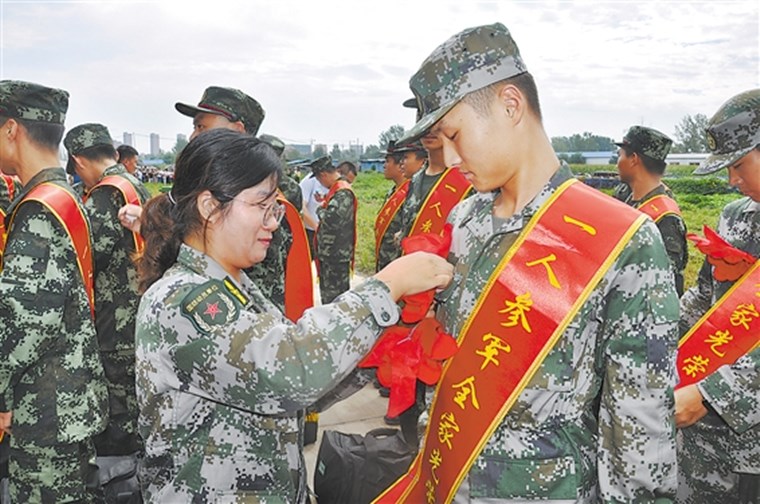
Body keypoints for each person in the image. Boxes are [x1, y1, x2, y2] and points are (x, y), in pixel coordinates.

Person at [375, 23, 679, 503]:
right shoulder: (466, 217)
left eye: (453, 135)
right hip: (446, 476)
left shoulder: (624, 241)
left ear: (510, 105)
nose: (451, 159)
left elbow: (639, 426)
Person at [134, 128, 452, 501]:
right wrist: (386, 287)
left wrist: (374, 354)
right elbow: (290, 371)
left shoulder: (235, 286)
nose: (273, 223)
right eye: (261, 207)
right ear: (208, 206)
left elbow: (296, 393)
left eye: (276, 209)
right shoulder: (183, 301)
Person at [0, 80, 109, 501]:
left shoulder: (38, 210)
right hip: (67, 399)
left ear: (12, 130)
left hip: (45, 407)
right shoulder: (63, 194)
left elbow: (25, 323)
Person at [676, 89, 760, 503]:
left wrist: (713, 395)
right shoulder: (735, 218)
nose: (732, 180)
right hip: (706, 449)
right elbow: (703, 300)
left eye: (740, 164)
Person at [64, 122, 151, 500]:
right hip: (141, 311)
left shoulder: (103, 197)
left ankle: (127, 486)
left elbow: (86, 255)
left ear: (78, 160)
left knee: (119, 415)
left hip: (116, 324)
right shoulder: (135, 185)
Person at [614, 126, 688, 296]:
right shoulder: (624, 194)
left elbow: (666, 279)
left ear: (633, 159)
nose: (617, 163)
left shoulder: (666, 217)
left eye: (620, 155)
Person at [312, 155, 357, 304]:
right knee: (329, 296)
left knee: (335, 299)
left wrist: (320, 210)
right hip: (331, 254)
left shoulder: (342, 191)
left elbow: (333, 220)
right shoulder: (336, 190)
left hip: (336, 256)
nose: (320, 183)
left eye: (319, 179)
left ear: (324, 174)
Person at [375, 140, 408, 271]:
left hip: (398, 264)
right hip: (384, 259)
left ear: (400, 165)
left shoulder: (410, 194)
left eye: (387, 161)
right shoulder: (393, 191)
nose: (384, 166)